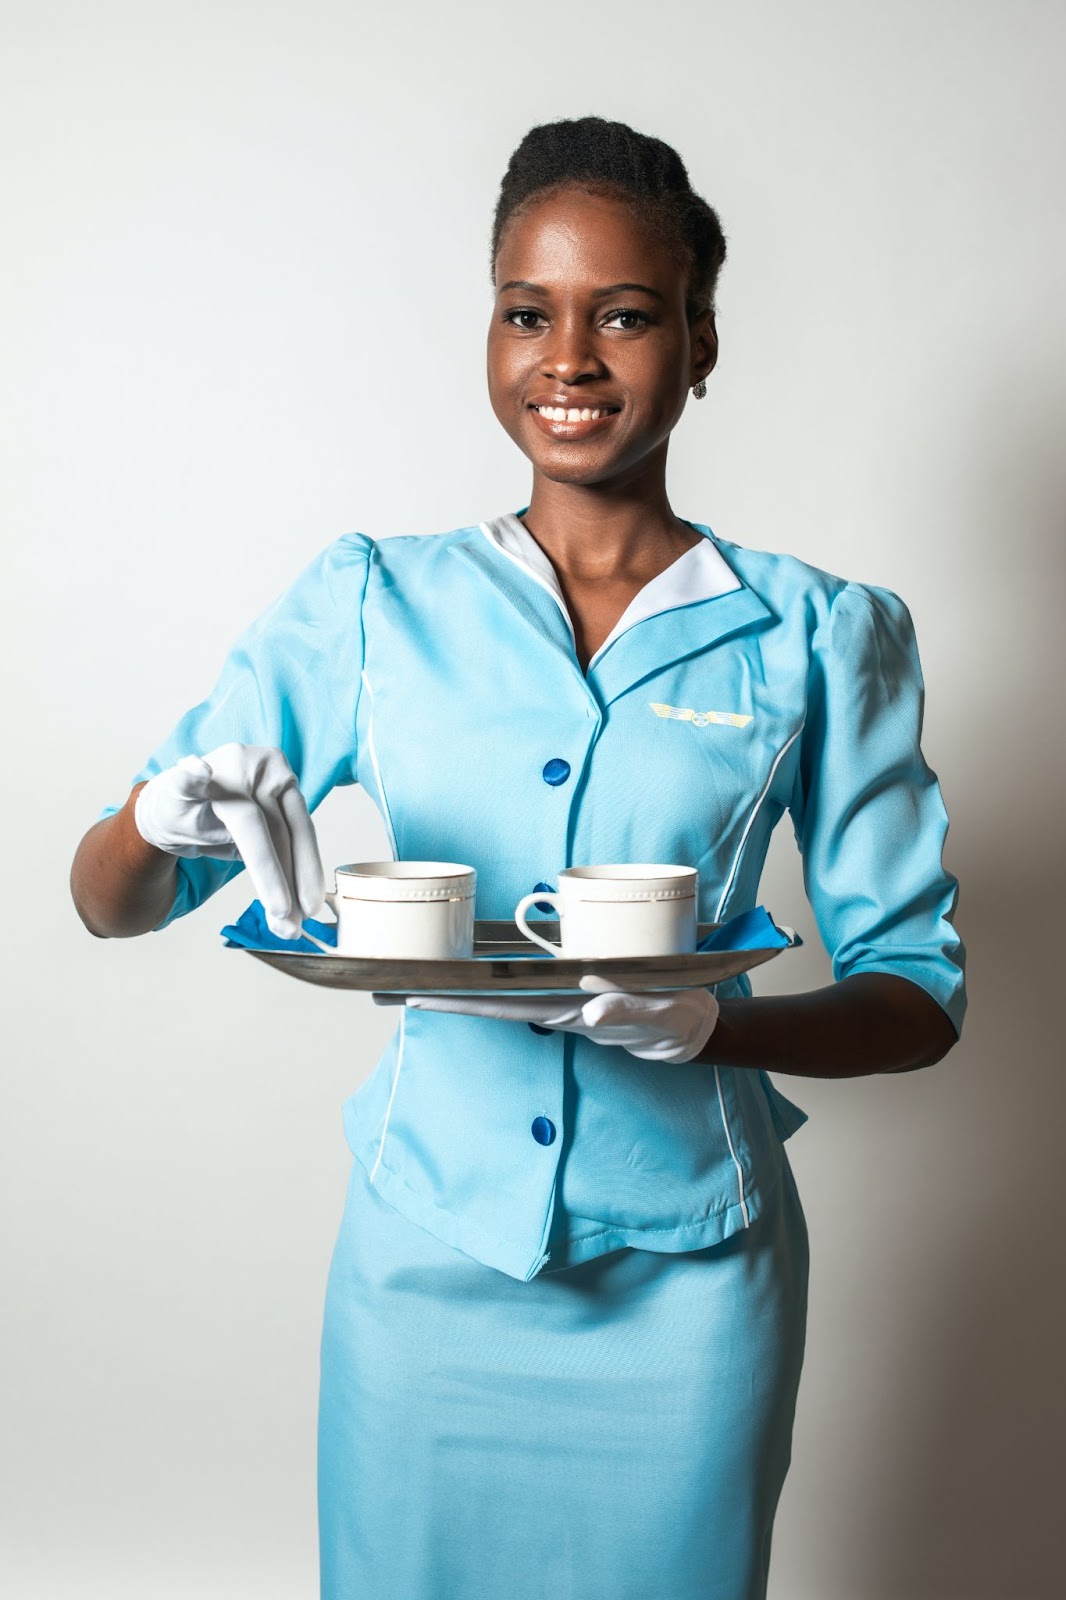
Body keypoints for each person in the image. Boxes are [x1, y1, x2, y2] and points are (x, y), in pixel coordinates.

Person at [70, 116, 966, 1600]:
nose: (570, 357)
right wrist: (157, 820)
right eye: (525, 312)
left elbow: (917, 996)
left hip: (695, 1283)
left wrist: (716, 1028)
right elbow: (109, 907)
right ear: (487, 332)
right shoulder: (371, 603)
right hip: (423, 1261)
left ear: (698, 339)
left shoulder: (818, 634)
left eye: (624, 313)